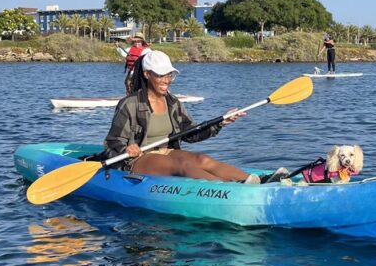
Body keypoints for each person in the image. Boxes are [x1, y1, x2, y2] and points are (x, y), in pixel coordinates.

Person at [103, 50, 261, 183]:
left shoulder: (172, 102)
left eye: (169, 75)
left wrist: (221, 122)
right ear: (147, 74)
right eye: (160, 75)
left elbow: (191, 134)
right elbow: (113, 141)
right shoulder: (130, 104)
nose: (166, 80)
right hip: (137, 159)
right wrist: (126, 148)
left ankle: (256, 181)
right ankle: (228, 190)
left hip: (166, 152)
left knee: (202, 160)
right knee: (183, 167)